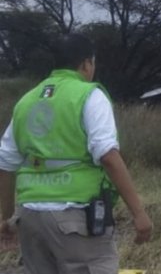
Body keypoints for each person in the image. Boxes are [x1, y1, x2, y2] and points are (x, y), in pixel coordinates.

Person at [0, 34, 152, 273]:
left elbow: (6, 163)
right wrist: (139, 213)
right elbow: (108, 156)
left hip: (30, 218)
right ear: (86, 64)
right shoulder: (89, 95)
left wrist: (7, 218)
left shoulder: (25, 102)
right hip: (75, 217)